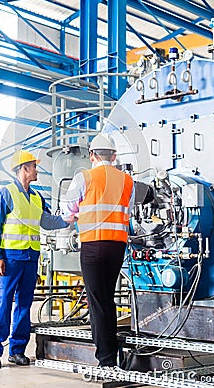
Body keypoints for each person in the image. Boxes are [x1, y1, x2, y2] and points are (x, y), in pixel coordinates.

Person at [0, 149, 68, 369]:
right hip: (10, 258)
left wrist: (69, 219)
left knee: (24, 305)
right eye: (34, 166)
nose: (37, 170)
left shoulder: (36, 197)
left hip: (31, 258)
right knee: (3, 304)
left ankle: (17, 350)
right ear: (24, 169)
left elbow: (48, 221)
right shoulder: (7, 193)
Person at [61, 133, 135, 369]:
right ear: (114, 156)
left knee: (97, 301)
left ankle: (106, 359)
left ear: (91, 155)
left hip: (92, 245)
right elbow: (129, 212)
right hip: (117, 246)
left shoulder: (84, 178)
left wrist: (75, 216)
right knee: (107, 298)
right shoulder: (128, 181)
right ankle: (109, 353)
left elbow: (67, 210)